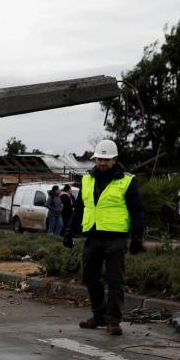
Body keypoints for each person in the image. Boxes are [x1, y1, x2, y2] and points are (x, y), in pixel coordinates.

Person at [63, 139, 145, 336]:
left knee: (115, 280)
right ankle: (99, 316)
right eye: (100, 159)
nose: (102, 163)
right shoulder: (87, 179)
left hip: (115, 238)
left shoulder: (127, 180)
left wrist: (137, 237)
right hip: (92, 236)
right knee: (89, 277)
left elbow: (137, 210)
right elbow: (80, 208)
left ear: (115, 159)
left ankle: (113, 320)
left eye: (106, 159)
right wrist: (69, 231)